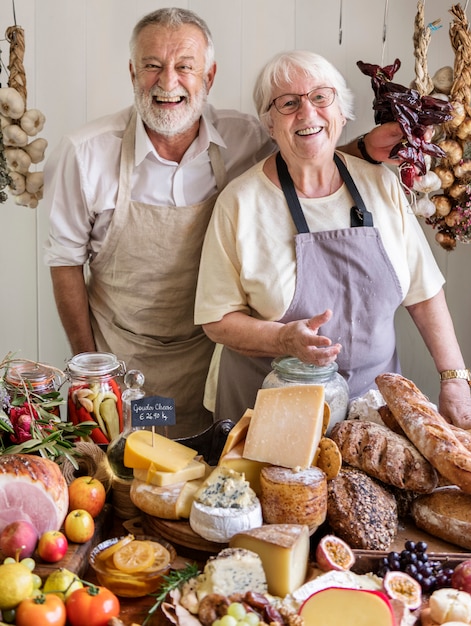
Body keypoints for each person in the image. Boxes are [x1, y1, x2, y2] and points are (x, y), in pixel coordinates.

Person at [43, 7, 404, 438]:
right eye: (151, 66)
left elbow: (305, 154)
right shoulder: (85, 154)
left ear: (209, 77)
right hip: (127, 367)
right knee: (131, 476)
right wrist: (92, 374)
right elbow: (65, 263)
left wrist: (361, 147)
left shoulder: (244, 138)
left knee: (202, 473)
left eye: (185, 67)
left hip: (212, 359)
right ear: (132, 72)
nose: (167, 81)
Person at [195, 50, 471, 437]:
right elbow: (217, 320)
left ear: (342, 112)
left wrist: (455, 382)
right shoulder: (240, 203)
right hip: (269, 417)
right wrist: (282, 338)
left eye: (321, 97)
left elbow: (424, 292)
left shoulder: (381, 184)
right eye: (288, 103)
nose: (307, 113)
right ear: (270, 124)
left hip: (373, 415)